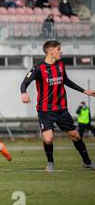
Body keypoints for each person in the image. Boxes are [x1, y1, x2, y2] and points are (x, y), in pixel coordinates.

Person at [20, 40, 95, 172]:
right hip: (45, 111)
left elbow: (66, 81)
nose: (61, 52)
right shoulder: (38, 68)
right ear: (50, 51)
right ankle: (50, 163)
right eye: (58, 49)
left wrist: (85, 91)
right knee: (48, 139)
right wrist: (24, 93)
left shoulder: (60, 64)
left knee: (76, 136)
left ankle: (87, 162)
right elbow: (25, 82)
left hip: (61, 109)